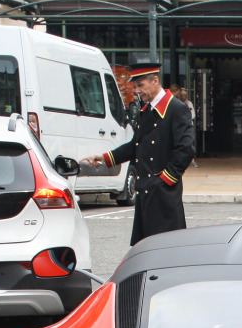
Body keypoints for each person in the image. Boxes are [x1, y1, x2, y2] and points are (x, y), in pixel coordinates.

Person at [80, 62, 195, 246]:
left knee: (166, 249)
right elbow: (136, 146)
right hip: (146, 192)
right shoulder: (147, 110)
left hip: (163, 195)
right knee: (147, 250)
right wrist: (105, 158)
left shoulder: (176, 109)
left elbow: (186, 149)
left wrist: (164, 180)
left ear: (155, 80)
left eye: (140, 85)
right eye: (135, 87)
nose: (137, 91)